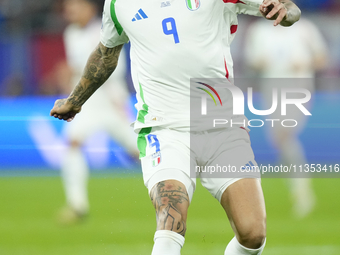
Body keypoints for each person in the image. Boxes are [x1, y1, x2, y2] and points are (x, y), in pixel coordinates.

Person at [50, 0, 301, 254]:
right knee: (171, 219)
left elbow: (288, 8)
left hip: (223, 126)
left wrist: (286, 12)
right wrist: (74, 101)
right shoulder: (118, 4)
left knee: (253, 234)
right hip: (164, 128)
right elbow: (106, 54)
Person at [58, 0, 139, 224]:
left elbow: (113, 67)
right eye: (68, 8)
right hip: (88, 104)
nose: (70, 12)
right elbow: (78, 68)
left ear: (90, 9)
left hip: (111, 102)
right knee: (73, 143)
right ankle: (77, 205)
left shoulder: (104, 31)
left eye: (75, 7)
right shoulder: (71, 34)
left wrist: (118, 103)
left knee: (140, 154)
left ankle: (176, 186)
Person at [244, 17, 328, 218]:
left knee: (283, 135)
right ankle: (300, 191)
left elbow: (322, 57)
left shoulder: (305, 28)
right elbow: (252, 60)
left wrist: (304, 63)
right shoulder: (259, 31)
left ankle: (303, 193)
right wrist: (261, 62)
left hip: (299, 90)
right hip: (272, 92)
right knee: (279, 140)